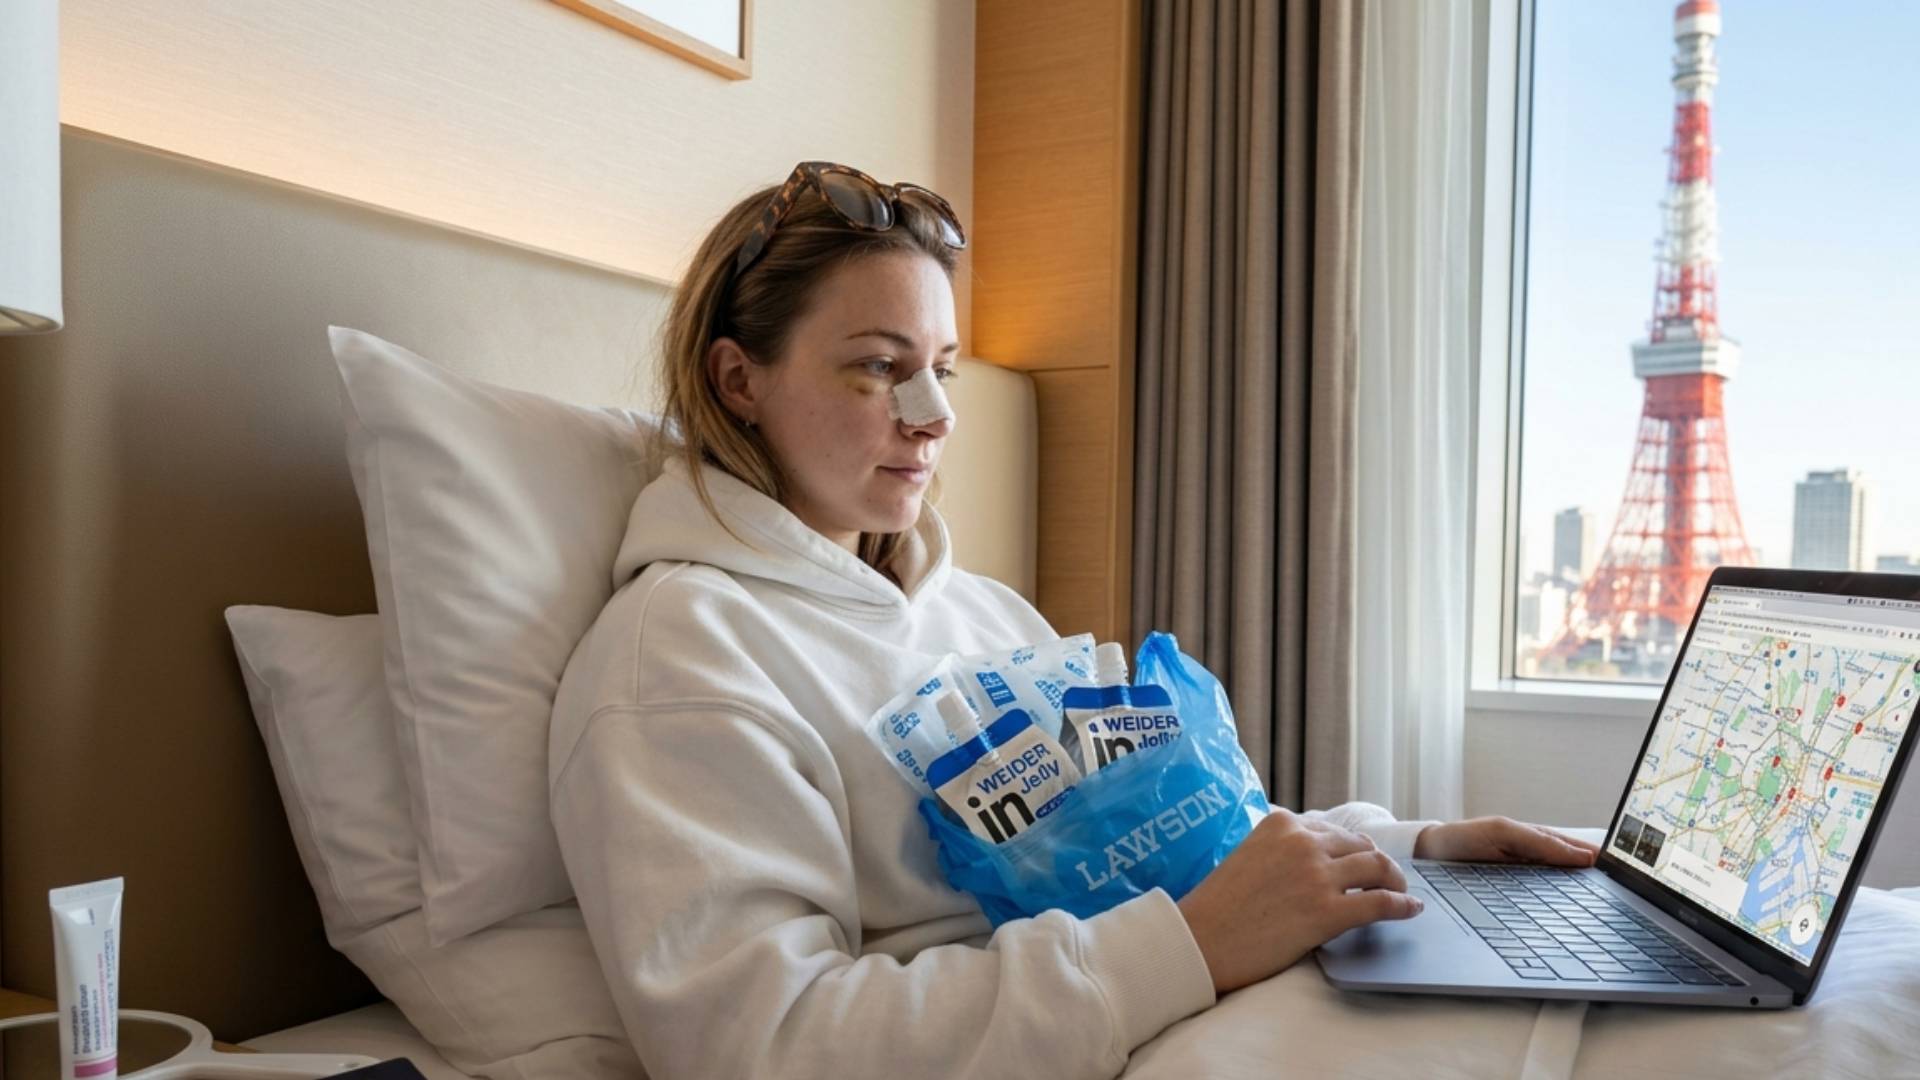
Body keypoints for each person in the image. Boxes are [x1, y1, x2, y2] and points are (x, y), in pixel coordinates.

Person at [547, 161, 1601, 1080]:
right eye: (879, 367)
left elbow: (1154, 844)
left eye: (941, 370)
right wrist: (1188, 949)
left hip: (1187, 1011)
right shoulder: (681, 659)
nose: (935, 417)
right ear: (739, 378)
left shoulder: (979, 612)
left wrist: (1404, 848)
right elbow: (764, 1047)